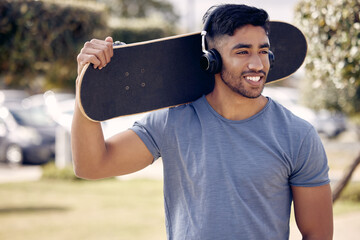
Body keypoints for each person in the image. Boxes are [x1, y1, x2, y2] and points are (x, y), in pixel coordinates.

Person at [72, 4, 333, 239]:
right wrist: (87, 89)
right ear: (212, 60)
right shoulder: (173, 122)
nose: (257, 63)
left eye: (263, 51)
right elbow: (92, 165)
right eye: (242, 52)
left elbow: (318, 234)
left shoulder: (297, 135)